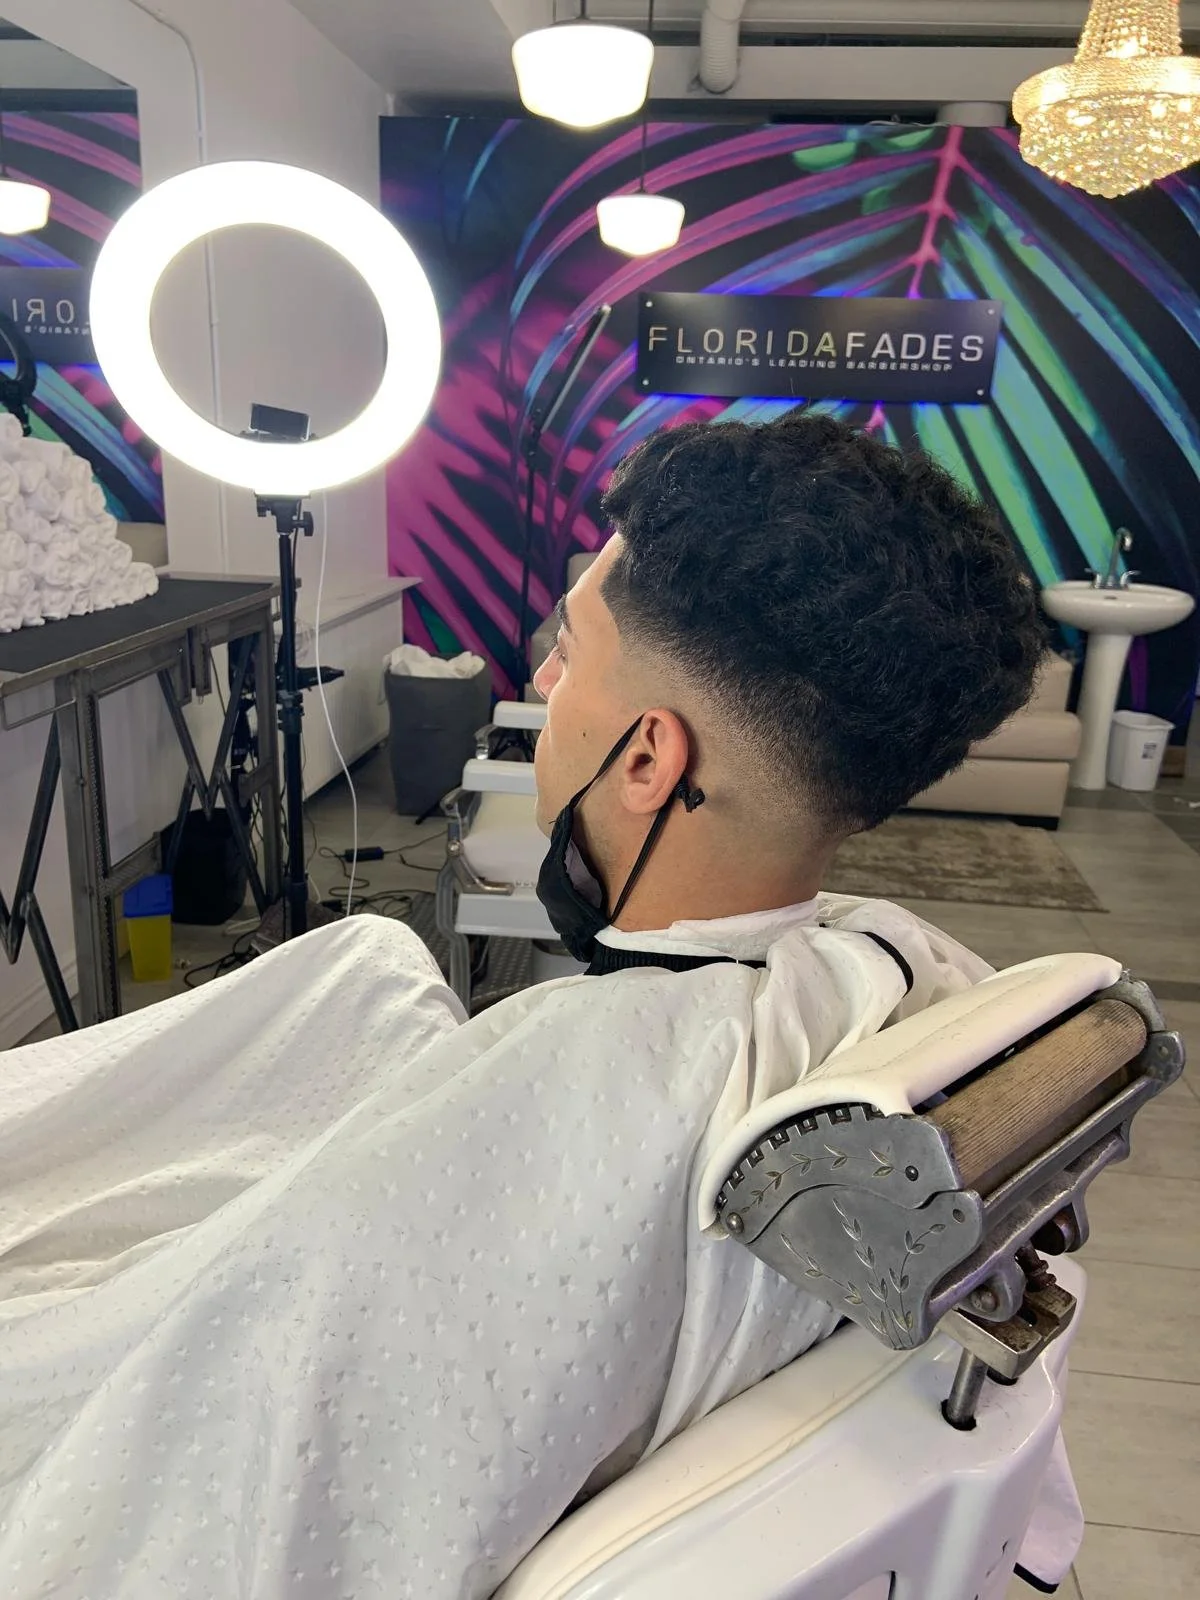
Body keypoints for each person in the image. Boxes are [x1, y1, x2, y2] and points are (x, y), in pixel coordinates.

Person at [0, 412, 1049, 1598]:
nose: (545, 680)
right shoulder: (896, 978)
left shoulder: (581, 1092)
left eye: (570, 649)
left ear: (650, 760)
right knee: (370, 969)